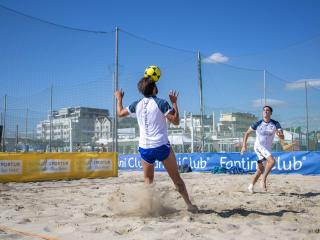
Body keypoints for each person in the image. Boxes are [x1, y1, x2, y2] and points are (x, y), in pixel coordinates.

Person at [114, 77, 198, 213]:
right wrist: (175, 103)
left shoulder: (137, 103)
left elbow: (120, 113)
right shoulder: (161, 103)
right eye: (156, 85)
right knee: (176, 177)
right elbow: (176, 121)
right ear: (153, 89)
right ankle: (189, 205)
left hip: (145, 148)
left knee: (148, 180)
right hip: (161, 146)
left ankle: (149, 208)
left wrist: (119, 99)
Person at [241, 105, 284, 193]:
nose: (265, 112)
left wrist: (280, 135)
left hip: (267, 149)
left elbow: (282, 136)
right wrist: (244, 146)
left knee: (260, 169)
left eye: (267, 110)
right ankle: (263, 180)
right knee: (272, 161)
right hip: (258, 147)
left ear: (271, 113)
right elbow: (246, 133)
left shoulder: (275, 124)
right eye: (264, 110)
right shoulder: (258, 123)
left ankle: (251, 186)